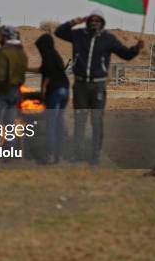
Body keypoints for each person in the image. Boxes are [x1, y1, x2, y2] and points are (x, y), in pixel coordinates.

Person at [55, 9, 143, 164]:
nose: (94, 22)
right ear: (88, 21)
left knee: (97, 121)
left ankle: (95, 155)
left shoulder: (109, 39)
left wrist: (136, 49)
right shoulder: (78, 35)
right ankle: (78, 154)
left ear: (102, 22)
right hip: (80, 85)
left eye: (98, 20)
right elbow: (59, 32)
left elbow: (126, 54)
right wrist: (74, 21)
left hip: (98, 86)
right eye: (92, 19)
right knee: (80, 120)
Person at [28, 33, 69, 163]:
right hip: (65, 90)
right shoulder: (56, 55)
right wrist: (27, 68)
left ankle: (50, 155)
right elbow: (44, 70)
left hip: (55, 92)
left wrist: (43, 91)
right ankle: (60, 154)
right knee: (59, 122)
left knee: (51, 123)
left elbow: (48, 74)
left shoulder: (48, 55)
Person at [0, 26, 28, 155]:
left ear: (5, 37)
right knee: (10, 124)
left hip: (3, 92)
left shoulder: (3, 53)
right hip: (16, 91)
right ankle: (10, 152)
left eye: (1, 36)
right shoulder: (22, 53)